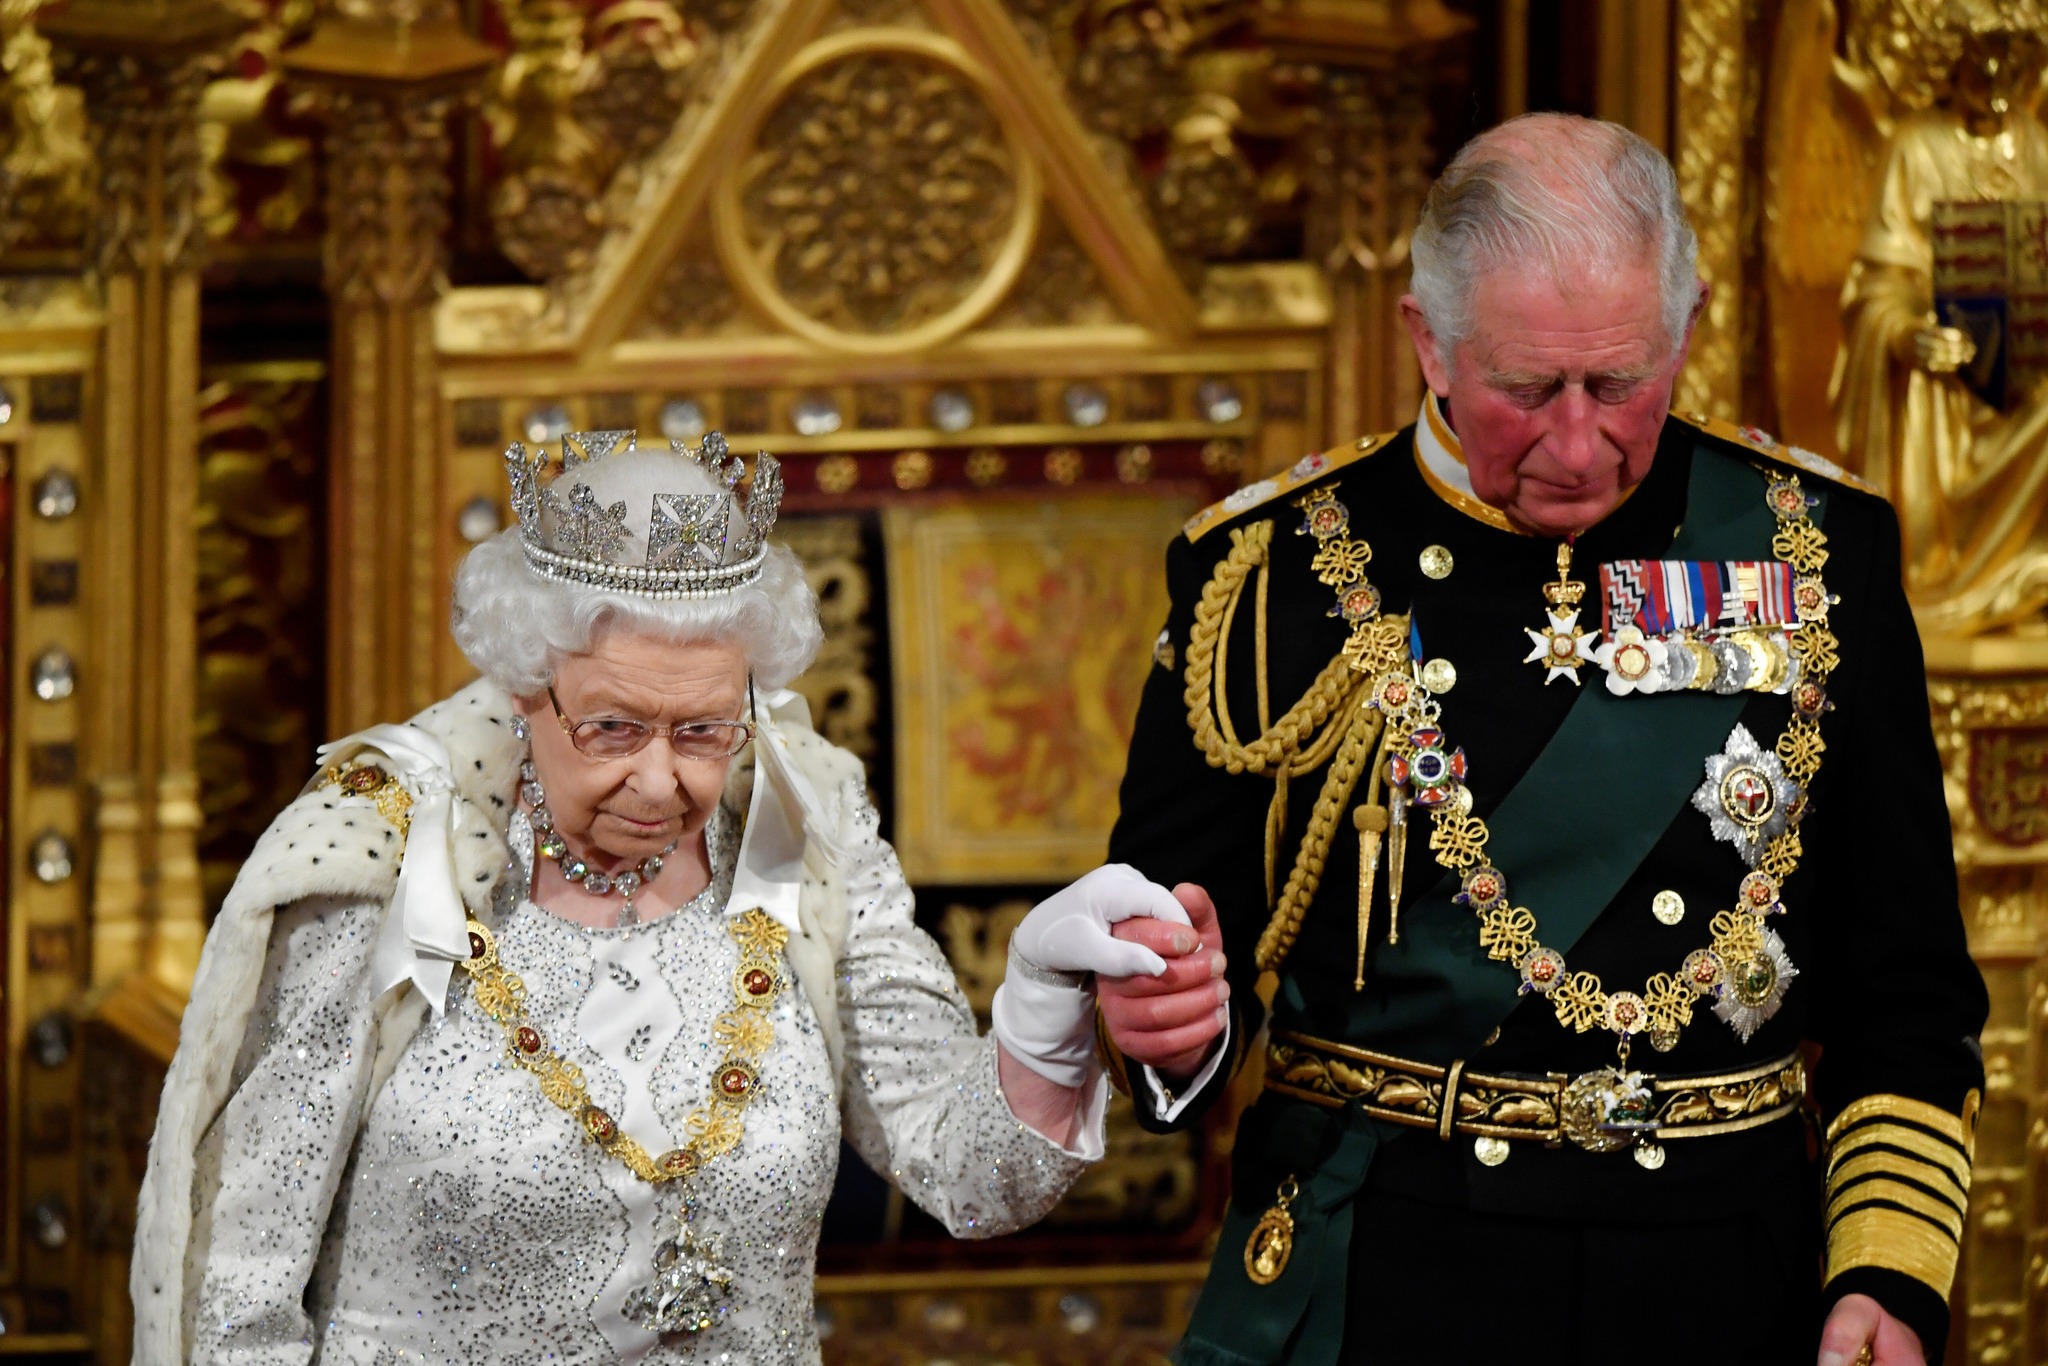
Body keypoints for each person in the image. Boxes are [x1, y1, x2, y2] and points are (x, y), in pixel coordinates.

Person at [1099, 113, 1987, 1366]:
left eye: (1619, 384)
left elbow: (1906, 992)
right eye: (1525, 391)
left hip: (1724, 1277)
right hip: (1390, 1272)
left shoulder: (1814, 552)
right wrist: (1166, 1024)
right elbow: (1171, 956)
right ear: (1428, 340)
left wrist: (1885, 1280)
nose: (1577, 444)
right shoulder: (1267, 575)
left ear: (1687, 330)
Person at [130, 430, 1219, 1364]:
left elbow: (975, 1178)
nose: (662, 782)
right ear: (523, 686)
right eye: (611, 728)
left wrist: (1040, 1006)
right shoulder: (376, 851)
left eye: (703, 729)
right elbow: (237, 1280)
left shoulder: (812, 831)